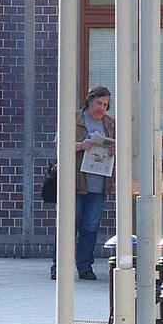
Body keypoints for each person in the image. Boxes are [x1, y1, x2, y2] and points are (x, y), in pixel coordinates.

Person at [72, 86, 115, 280]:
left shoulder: (110, 123)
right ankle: (59, 266)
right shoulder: (75, 119)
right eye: (99, 103)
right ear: (90, 101)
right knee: (69, 226)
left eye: (105, 105)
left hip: (99, 183)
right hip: (76, 183)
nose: (102, 108)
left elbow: (122, 147)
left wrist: (115, 150)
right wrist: (81, 145)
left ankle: (85, 267)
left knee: (90, 227)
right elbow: (59, 146)